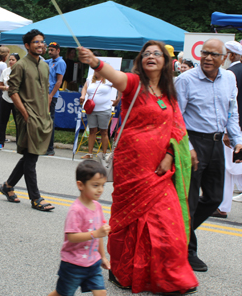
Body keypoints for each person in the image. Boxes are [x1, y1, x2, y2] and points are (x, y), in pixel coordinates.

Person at [78, 41, 198, 294]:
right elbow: (114, 75)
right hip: (132, 165)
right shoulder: (133, 83)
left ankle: (170, 277)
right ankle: (123, 272)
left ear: (166, 62)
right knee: (129, 220)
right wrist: (94, 61)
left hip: (160, 168)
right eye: (146, 54)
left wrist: (170, 155)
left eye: (157, 54)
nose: (151, 56)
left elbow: (178, 127)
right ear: (140, 60)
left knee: (167, 221)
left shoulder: (169, 93)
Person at [176, 38, 242, 272]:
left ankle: (181, 234)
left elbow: (231, 112)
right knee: (190, 200)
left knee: (214, 197)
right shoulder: (186, 80)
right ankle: (187, 251)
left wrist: (238, 140)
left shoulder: (230, 78)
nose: (208, 58)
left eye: (214, 55)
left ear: (224, 58)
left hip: (216, 143)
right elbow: (177, 117)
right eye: (205, 53)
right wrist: (188, 148)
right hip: (192, 142)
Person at [0, 29, 55, 212]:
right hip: (28, 115)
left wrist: (46, 113)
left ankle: (7, 186)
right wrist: (25, 114)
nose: (40, 45)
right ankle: (35, 198)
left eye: (42, 42)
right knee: (31, 157)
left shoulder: (45, 65)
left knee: (32, 155)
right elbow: (12, 91)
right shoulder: (21, 65)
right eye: (36, 42)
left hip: (42, 116)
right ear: (27, 45)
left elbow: (46, 90)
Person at [48, 160, 110, 296]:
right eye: (95, 185)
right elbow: (72, 237)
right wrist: (95, 233)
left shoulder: (98, 207)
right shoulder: (76, 210)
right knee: (62, 293)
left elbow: (99, 235)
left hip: (93, 263)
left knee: (101, 293)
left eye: (102, 185)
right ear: (80, 185)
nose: (100, 190)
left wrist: (103, 257)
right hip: (73, 264)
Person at [215, 41, 242, 218]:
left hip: (234, 126)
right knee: (235, 166)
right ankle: (222, 205)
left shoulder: (231, 74)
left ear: (230, 55)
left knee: (228, 167)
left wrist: (227, 130)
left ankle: (222, 206)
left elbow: (230, 104)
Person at [79, 73, 119, 160]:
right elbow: (85, 88)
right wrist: (83, 95)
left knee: (104, 131)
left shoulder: (109, 79)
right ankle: (90, 153)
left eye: (98, 70)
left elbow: (120, 87)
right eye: (95, 70)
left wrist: (118, 99)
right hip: (91, 109)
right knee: (92, 130)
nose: (96, 72)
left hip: (104, 109)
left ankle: (104, 154)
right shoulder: (90, 78)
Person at [45, 42, 66, 156]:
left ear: (58, 50)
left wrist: (51, 96)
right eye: (49, 49)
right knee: (44, 120)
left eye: (52, 50)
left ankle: (50, 148)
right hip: (45, 94)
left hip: (51, 96)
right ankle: (44, 146)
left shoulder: (60, 63)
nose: (49, 52)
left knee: (49, 121)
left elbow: (59, 81)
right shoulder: (50, 61)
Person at [0, 53, 20, 150]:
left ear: (17, 61)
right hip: (5, 98)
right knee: (2, 121)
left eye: (13, 60)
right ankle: (0, 142)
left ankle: (20, 143)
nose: (10, 61)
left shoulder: (21, 71)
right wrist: (5, 88)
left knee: (18, 122)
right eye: (9, 59)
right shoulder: (5, 71)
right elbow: (0, 85)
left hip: (17, 99)